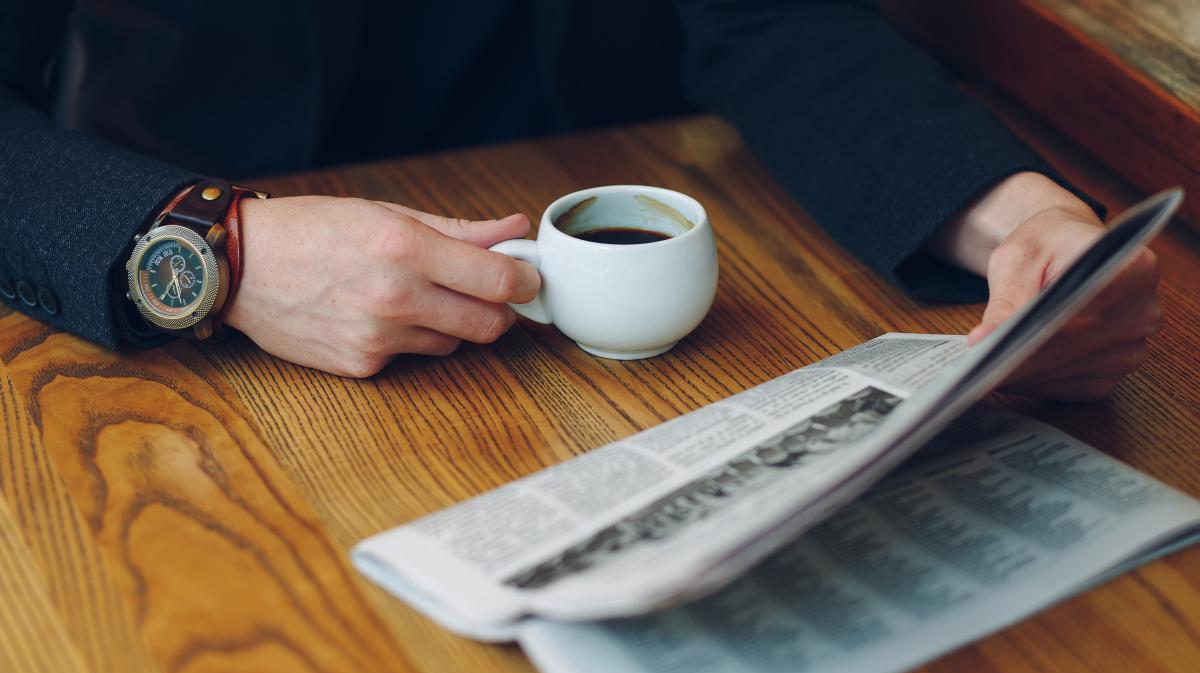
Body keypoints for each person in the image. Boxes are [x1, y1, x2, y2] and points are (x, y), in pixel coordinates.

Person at [0, 1, 1161, 400]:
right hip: (194, 320)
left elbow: (767, 16)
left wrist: (1019, 218)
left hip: (585, 285)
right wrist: (216, 252)